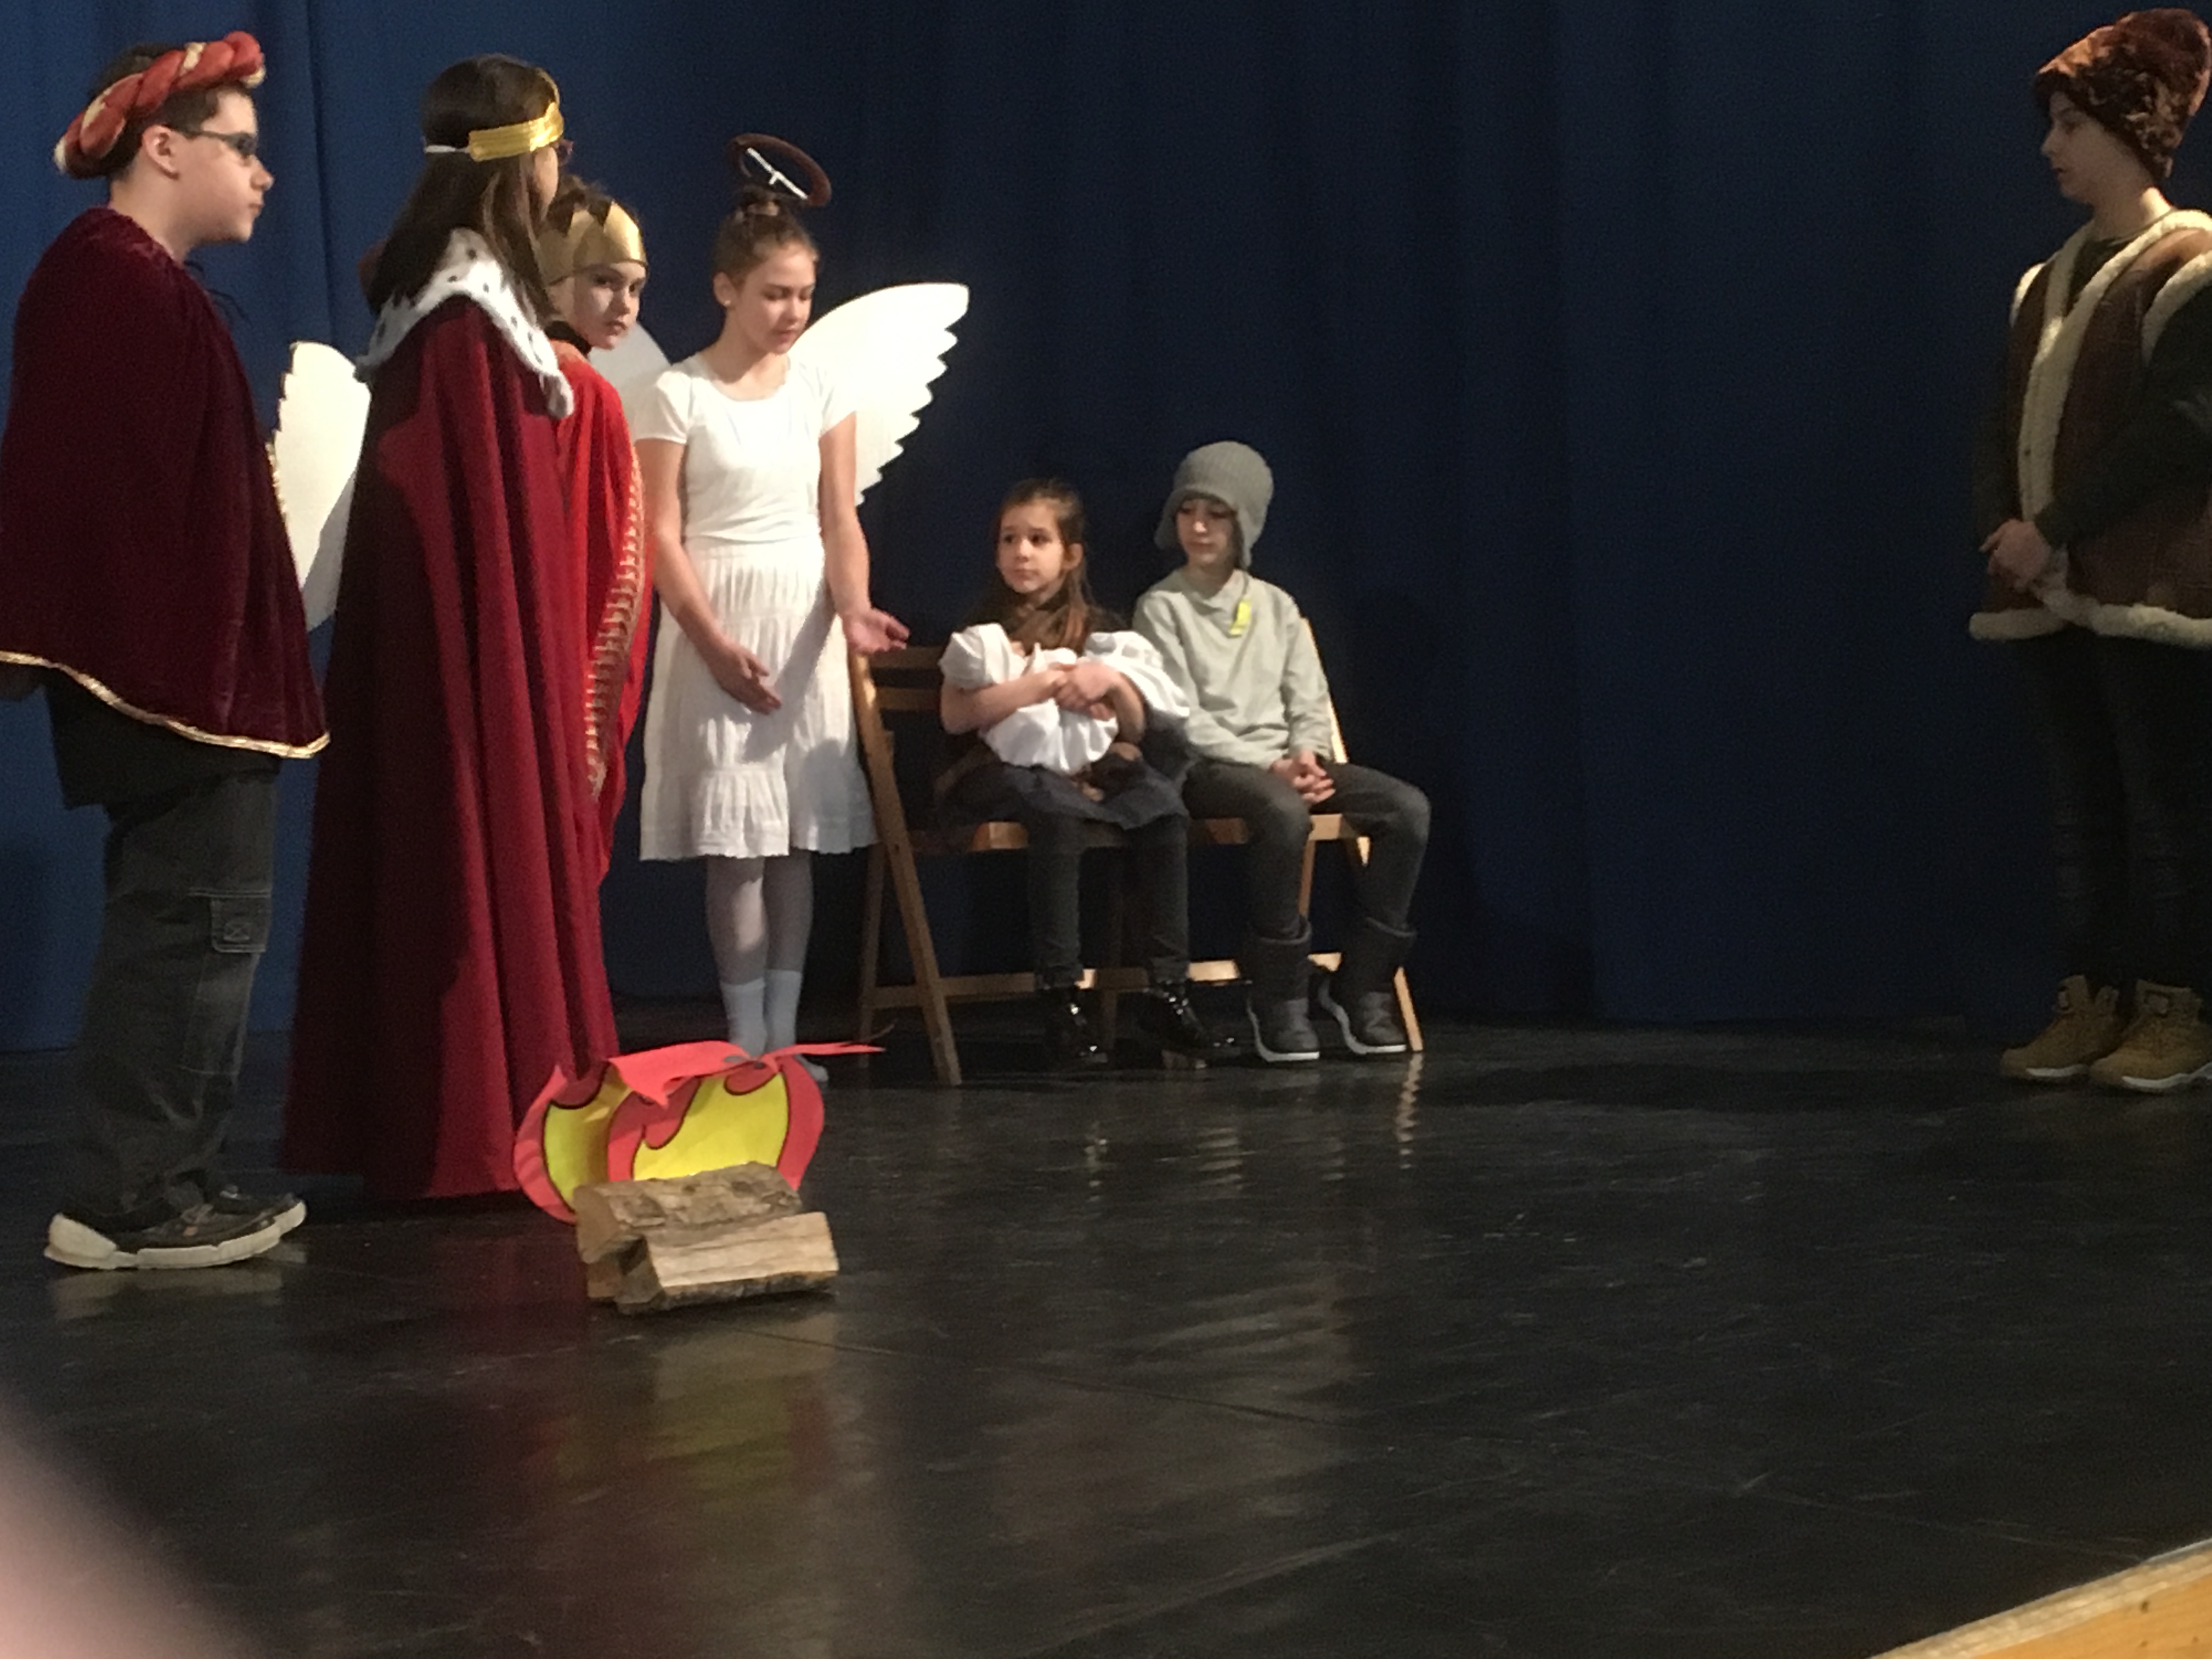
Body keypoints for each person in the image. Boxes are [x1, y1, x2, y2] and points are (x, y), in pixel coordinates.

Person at [0, 34, 322, 1269]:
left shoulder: (142, 284)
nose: (263, 173)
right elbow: (88, 493)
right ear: (166, 147)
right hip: (171, 684)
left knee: (203, 926)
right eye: (242, 147)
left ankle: (169, 1176)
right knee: (189, 927)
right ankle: (130, 1200)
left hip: (195, 678)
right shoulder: (110, 280)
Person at [283, 55, 618, 1199]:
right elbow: (453, 534)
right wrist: (499, 695)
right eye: (555, 148)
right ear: (520, 162)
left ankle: (499, 1108)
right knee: (469, 863)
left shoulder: (468, 305)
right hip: (465, 676)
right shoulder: (465, 320)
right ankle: (480, 1120)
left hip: (477, 661)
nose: (564, 167)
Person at [1976, 9, 2212, 1092]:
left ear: (2131, 130)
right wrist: (2005, 534)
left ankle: (2178, 1004)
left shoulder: (2191, 267)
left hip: (2149, 583)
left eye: (2072, 124)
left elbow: (2181, 426)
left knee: (2166, 808)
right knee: (2083, 808)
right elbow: (2001, 422)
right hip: (2050, 585)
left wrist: (2056, 526)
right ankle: (2095, 993)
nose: (2051, 147)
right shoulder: (2046, 281)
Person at [631, 141, 906, 1070]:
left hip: (801, 629)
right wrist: (711, 642)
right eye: (774, 294)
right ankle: (743, 1040)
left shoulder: (821, 389)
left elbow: (839, 517)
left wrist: (854, 607)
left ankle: (786, 1041)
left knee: (793, 841)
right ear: (726, 289)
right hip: (717, 621)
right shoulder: (678, 393)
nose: (792, 313)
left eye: (803, 295)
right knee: (737, 846)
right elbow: (660, 533)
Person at [1135, 442, 1430, 1063]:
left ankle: (1361, 984)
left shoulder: (1277, 605)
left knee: (1407, 810)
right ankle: (1277, 995)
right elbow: (1178, 716)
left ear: (1244, 521)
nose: (1199, 526)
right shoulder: (1162, 607)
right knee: (1283, 812)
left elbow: (1308, 699)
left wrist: (1307, 755)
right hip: (1211, 766)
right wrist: (1271, 766)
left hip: (1287, 763)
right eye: (1188, 511)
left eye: (1216, 513)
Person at [937, 481, 1218, 1068]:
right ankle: (1060, 998)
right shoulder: (984, 630)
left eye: (1038, 540)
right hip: (1001, 769)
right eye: (1009, 539)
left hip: (1087, 765)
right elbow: (956, 715)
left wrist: (1111, 683)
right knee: (1057, 814)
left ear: (1070, 555)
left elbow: (1136, 726)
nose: (1021, 552)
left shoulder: (1100, 630)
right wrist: (1040, 685)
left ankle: (1167, 989)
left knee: (1163, 810)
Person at [538, 176, 651, 865]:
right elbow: (599, 558)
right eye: (604, 282)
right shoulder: (582, 388)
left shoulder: (529, 365)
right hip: (561, 652)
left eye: (636, 288)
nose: (625, 305)